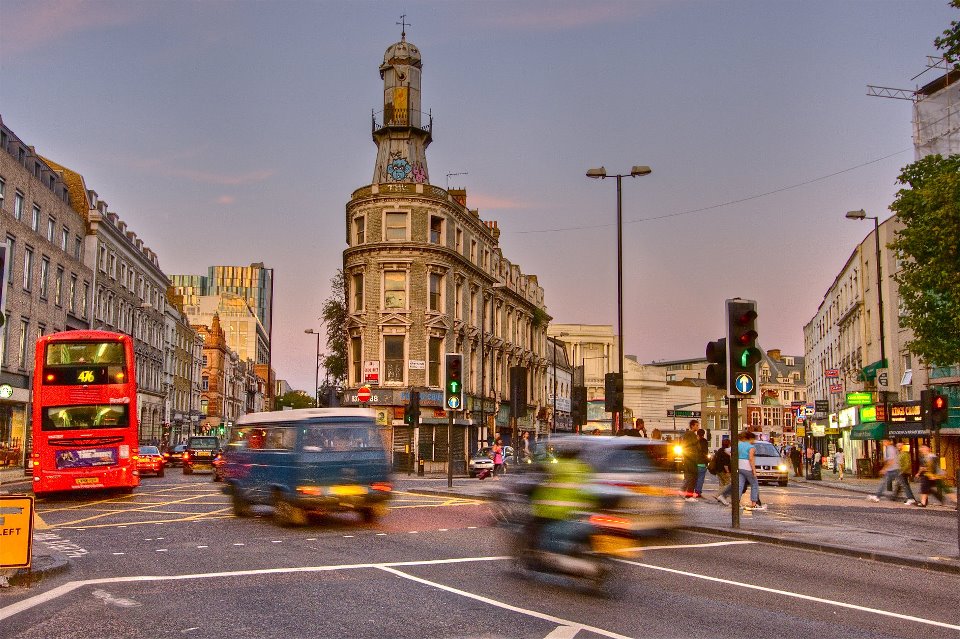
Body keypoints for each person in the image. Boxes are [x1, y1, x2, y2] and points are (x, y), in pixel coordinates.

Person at [528, 441, 598, 553]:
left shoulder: (554, 467)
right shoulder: (585, 469)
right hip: (578, 514)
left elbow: (534, 484)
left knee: (533, 532)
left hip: (550, 513)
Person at [718, 430, 763, 510]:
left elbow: (727, 450)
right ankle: (754, 503)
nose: (754, 441)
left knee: (740, 485)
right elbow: (751, 458)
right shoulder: (751, 447)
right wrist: (754, 470)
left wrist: (734, 457)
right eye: (753, 439)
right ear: (750, 439)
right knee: (754, 484)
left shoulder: (739, 445)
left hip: (739, 466)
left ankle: (736, 503)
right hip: (747, 467)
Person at [868, 438, 899, 502]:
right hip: (893, 469)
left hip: (893, 469)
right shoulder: (889, 448)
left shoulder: (890, 448)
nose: (883, 443)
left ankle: (878, 496)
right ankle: (879, 496)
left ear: (888, 441)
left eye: (884, 441)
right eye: (883, 441)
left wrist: (884, 469)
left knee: (902, 484)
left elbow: (891, 460)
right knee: (902, 484)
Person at [681, 420, 701, 499]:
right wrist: (697, 440)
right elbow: (694, 445)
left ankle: (688, 495)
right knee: (692, 477)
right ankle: (688, 496)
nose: (697, 427)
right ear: (692, 426)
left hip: (690, 459)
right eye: (696, 425)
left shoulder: (690, 434)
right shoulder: (690, 434)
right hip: (691, 459)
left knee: (691, 477)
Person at [712, 439, 732, 505]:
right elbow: (725, 464)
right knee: (728, 483)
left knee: (722, 484)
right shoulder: (725, 452)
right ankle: (718, 495)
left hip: (717, 469)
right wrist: (728, 471)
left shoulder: (720, 450)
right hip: (723, 470)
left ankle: (719, 496)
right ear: (728, 444)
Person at [693, 428, 709, 499]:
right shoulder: (705, 442)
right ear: (704, 434)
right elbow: (705, 452)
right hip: (702, 463)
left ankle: (691, 490)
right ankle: (698, 492)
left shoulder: (695, 441)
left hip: (694, 463)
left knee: (694, 478)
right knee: (700, 479)